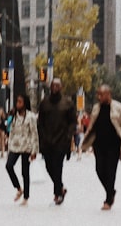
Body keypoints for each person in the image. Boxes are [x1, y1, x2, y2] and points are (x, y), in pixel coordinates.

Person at [80, 84, 121, 210]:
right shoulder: (97, 108)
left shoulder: (118, 108)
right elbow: (92, 125)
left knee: (110, 171)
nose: (99, 97)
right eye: (98, 94)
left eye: (101, 94)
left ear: (108, 94)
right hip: (99, 144)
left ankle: (108, 199)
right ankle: (111, 191)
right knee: (99, 169)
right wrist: (86, 142)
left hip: (113, 145)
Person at [37, 77, 77, 205]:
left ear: (61, 87)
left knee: (58, 166)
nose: (55, 88)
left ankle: (57, 194)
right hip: (47, 140)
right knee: (49, 166)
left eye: (57, 86)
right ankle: (60, 187)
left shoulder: (68, 103)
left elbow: (72, 122)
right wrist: (41, 137)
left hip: (61, 141)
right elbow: (40, 122)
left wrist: (68, 136)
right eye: (53, 86)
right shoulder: (44, 103)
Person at [5, 94, 38, 205]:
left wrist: (34, 151)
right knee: (9, 166)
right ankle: (19, 188)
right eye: (17, 102)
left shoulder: (31, 117)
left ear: (25, 104)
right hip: (15, 145)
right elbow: (11, 132)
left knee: (25, 172)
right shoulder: (14, 115)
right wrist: (8, 147)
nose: (17, 104)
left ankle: (26, 197)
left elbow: (34, 134)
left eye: (20, 102)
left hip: (26, 147)